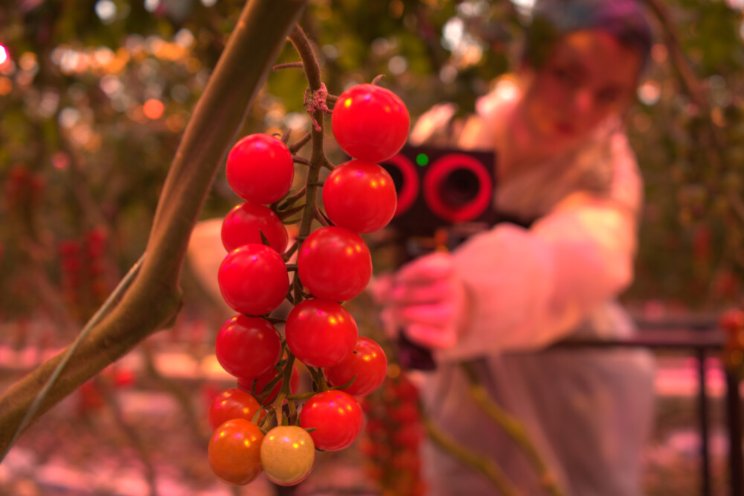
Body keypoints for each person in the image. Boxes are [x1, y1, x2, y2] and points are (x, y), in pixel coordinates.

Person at [376, 1, 656, 494]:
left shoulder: (606, 166)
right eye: (566, 75)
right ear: (527, 60)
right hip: (462, 380)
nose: (581, 106)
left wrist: (475, 296)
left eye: (609, 94)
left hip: (575, 379)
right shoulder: (451, 129)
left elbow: (587, 252)